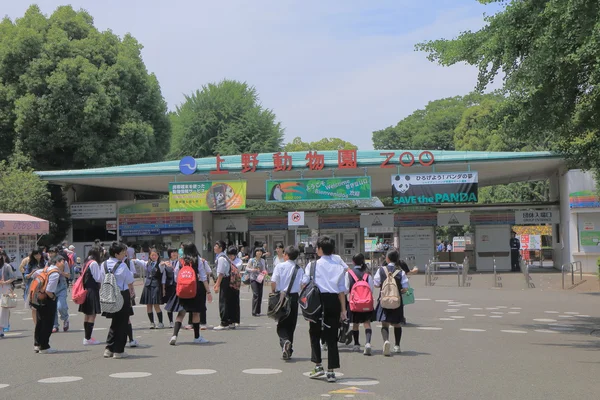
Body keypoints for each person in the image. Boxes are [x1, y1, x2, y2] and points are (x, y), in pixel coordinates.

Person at [302, 235, 347, 383]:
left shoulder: (312, 265)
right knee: (332, 335)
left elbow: (304, 284)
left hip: (316, 301)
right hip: (333, 301)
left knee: (314, 332)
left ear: (320, 249)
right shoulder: (339, 266)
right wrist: (343, 310)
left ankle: (318, 365)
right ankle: (331, 371)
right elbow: (342, 290)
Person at [167, 243, 212, 345]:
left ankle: (174, 335)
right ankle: (197, 337)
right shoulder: (198, 259)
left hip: (182, 289)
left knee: (181, 313)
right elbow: (203, 277)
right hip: (195, 289)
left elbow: (176, 277)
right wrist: (208, 291)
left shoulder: (181, 261)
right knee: (196, 313)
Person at [101, 242, 135, 359]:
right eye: (122, 252)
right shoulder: (122, 265)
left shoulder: (104, 264)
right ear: (116, 254)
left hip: (108, 294)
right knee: (122, 323)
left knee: (115, 322)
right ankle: (118, 350)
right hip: (121, 294)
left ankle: (109, 348)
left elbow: (101, 279)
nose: (124, 254)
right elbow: (130, 279)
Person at [270, 245, 304, 360]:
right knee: (291, 324)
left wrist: (274, 291)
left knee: (281, 322)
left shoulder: (280, 266)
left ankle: (285, 342)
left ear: (286, 255)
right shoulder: (299, 269)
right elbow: (302, 284)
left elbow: (273, 281)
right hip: (294, 297)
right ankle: (289, 347)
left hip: (281, 296)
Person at [374, 249, 409, 356]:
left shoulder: (381, 270)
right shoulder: (401, 272)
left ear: (387, 259)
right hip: (396, 300)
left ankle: (386, 341)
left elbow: (376, 284)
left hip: (384, 299)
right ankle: (397, 345)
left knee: (385, 322)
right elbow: (405, 287)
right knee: (397, 323)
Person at [32, 255, 63, 353]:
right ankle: (44, 346)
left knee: (40, 322)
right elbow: (49, 290)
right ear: (57, 262)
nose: (64, 264)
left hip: (38, 297)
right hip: (47, 299)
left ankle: (37, 344)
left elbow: (34, 275)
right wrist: (53, 298)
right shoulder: (55, 273)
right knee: (48, 323)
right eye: (62, 261)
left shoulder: (45, 269)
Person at [345, 253, 374, 355]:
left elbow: (345, 289)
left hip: (354, 304)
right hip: (366, 303)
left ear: (353, 261)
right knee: (367, 324)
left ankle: (356, 344)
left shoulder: (349, 274)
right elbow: (371, 289)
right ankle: (367, 343)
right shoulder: (367, 275)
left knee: (355, 325)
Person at [134, 249, 166, 329]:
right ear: (150, 256)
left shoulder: (160, 264)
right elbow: (138, 261)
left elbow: (162, 270)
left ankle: (161, 322)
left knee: (156, 305)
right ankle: (152, 323)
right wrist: (132, 259)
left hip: (156, 285)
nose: (154, 257)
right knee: (148, 305)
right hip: (147, 285)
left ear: (158, 256)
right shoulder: (147, 263)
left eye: (155, 255)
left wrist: (163, 264)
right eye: (152, 255)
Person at [80, 247, 103, 345]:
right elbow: (98, 278)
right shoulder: (94, 263)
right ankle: (88, 338)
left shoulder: (86, 262)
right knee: (92, 314)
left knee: (87, 314)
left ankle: (87, 337)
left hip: (85, 290)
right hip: (92, 290)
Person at [213, 243, 240, 330]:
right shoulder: (225, 257)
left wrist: (217, 284)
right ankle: (231, 321)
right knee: (230, 301)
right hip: (230, 280)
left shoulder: (221, 258)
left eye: (216, 246)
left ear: (221, 248)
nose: (214, 248)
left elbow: (221, 273)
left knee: (223, 301)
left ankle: (224, 322)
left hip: (225, 280)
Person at [52, 247, 71, 333]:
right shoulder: (49, 262)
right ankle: (55, 325)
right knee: (52, 308)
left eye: (52, 252)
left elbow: (68, 275)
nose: (50, 254)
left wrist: (60, 272)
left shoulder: (63, 262)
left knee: (61, 306)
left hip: (61, 286)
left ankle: (65, 318)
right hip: (51, 287)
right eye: (49, 252)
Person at [246, 247, 267, 316]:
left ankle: (258, 311)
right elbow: (247, 268)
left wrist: (265, 273)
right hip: (253, 279)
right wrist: (253, 270)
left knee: (260, 294)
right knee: (256, 294)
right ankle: (254, 311)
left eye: (260, 251)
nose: (259, 252)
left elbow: (264, 269)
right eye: (257, 251)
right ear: (255, 252)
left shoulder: (263, 260)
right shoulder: (251, 260)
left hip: (260, 278)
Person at [162, 249, 179, 328]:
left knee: (180, 303)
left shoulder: (180, 262)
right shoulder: (166, 263)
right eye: (173, 252)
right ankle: (171, 321)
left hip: (179, 285)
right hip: (169, 286)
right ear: (169, 254)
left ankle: (179, 321)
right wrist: (163, 287)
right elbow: (164, 276)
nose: (174, 254)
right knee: (169, 304)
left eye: (176, 252)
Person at [0, 255, 16, 338]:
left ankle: (1, 329)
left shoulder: (6, 266)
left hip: (4, 289)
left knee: (2, 310)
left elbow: (13, 277)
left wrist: (5, 282)